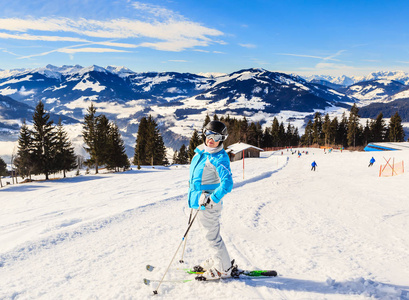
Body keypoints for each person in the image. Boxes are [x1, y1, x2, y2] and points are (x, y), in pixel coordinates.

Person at [187, 120, 234, 281]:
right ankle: (217, 259)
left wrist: (211, 199)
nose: (211, 139)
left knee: (212, 237)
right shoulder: (203, 151)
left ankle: (223, 268)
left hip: (207, 205)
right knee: (207, 235)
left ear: (222, 139)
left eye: (216, 136)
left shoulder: (218, 157)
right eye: (208, 134)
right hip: (199, 202)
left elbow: (227, 183)